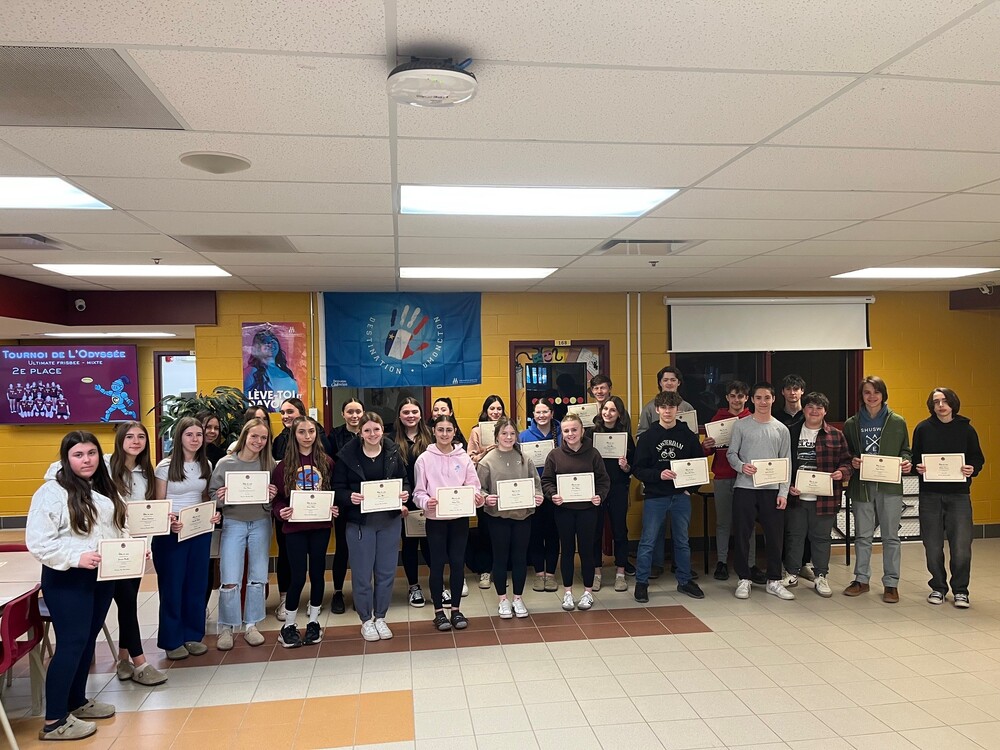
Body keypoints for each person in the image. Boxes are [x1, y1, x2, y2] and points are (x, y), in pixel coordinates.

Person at [27, 431, 127, 741]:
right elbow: (39, 542)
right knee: (71, 644)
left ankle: (76, 701)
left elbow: (116, 527)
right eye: (78, 455)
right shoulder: (51, 492)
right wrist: (76, 557)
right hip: (67, 578)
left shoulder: (104, 486)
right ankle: (54, 721)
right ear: (66, 458)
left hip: (101, 576)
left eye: (91, 453)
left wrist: (129, 548)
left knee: (86, 641)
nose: (87, 460)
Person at [332, 411, 409, 640]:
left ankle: (381, 617)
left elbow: (405, 480)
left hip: (389, 521)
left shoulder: (393, 452)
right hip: (360, 523)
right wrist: (349, 497)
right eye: (367, 430)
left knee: (386, 572)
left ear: (382, 431)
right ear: (360, 432)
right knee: (362, 574)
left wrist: (405, 493)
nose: (372, 434)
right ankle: (366, 619)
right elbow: (337, 488)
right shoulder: (347, 456)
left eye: (376, 429)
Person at [107, 422, 168, 685]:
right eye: (130, 436)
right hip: (112, 547)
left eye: (141, 437)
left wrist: (147, 543)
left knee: (127, 601)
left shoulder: (146, 472)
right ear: (120, 440)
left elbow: (148, 512)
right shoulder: (106, 468)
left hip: (137, 547)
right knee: (127, 602)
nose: (136, 441)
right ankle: (140, 663)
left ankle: (123, 658)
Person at [913, 388, 985, 608]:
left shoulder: (966, 429)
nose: (941, 405)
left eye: (945, 401)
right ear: (931, 406)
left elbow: (977, 458)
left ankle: (961, 590)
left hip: (959, 496)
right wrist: (918, 467)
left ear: (953, 403)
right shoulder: (923, 429)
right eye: (936, 402)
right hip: (930, 496)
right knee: (932, 546)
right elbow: (914, 458)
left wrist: (972, 468)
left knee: (961, 546)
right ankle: (938, 587)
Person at [153, 417, 218, 659]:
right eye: (189, 434)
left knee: (196, 584)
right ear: (179, 437)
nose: (195, 439)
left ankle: (192, 635)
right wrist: (170, 522)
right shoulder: (165, 466)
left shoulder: (205, 464)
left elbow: (204, 497)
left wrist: (212, 515)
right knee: (173, 586)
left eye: (198, 435)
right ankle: (172, 640)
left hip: (198, 530)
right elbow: (160, 503)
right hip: (172, 533)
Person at [843, 376, 911, 603]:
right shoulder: (852, 423)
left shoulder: (897, 421)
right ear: (861, 396)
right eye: (867, 392)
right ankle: (861, 580)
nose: (871, 397)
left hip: (889, 486)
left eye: (876, 392)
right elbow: (847, 453)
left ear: (883, 395)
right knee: (863, 535)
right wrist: (852, 460)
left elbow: (906, 450)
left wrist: (906, 461)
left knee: (891, 536)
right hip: (862, 486)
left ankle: (891, 584)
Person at [210, 417, 277, 650]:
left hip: (260, 522)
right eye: (254, 436)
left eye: (263, 437)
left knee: (258, 576)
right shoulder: (225, 463)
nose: (258, 441)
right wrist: (219, 498)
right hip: (233, 522)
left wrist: (271, 497)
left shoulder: (269, 464)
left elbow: (274, 501)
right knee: (230, 577)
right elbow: (212, 495)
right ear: (245, 436)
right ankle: (226, 627)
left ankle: (251, 624)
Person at [632, 391, 705, 603]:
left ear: (677, 410)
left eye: (671, 407)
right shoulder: (648, 437)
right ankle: (641, 583)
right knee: (648, 541)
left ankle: (684, 580)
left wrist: (690, 489)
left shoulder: (688, 436)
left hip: (680, 496)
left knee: (682, 541)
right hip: (655, 496)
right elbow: (638, 469)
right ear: (657, 410)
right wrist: (658, 475)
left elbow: (699, 465)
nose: (667, 411)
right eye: (663, 407)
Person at [413, 414, 483, 632]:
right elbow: (418, 492)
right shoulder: (424, 459)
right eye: (440, 429)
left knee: (457, 563)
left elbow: (474, 486)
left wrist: (477, 497)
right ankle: (438, 613)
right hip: (436, 521)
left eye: (449, 430)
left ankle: (455, 610)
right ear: (434, 431)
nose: (444, 434)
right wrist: (426, 502)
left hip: (459, 519)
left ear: (454, 432)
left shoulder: (463, 458)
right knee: (437, 564)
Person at [272, 416, 337, 647]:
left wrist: (334, 506)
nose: (307, 436)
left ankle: (313, 622)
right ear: (294, 434)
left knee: (318, 575)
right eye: (302, 432)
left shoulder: (326, 462)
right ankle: (288, 625)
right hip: (294, 528)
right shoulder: (284, 466)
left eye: (311, 431)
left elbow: (335, 491)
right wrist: (281, 511)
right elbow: (278, 499)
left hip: (320, 527)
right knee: (297, 576)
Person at [727, 382, 793, 600]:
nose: (763, 402)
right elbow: (731, 454)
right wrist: (741, 466)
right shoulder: (741, 426)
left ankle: (774, 580)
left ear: (774, 399)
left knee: (774, 536)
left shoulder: (781, 429)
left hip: (771, 490)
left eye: (767, 398)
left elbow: (786, 462)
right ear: (752, 400)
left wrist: (783, 493)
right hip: (745, 488)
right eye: (758, 398)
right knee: (742, 534)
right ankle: (743, 578)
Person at [783, 392, 852, 598]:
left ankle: (821, 575)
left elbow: (847, 462)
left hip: (825, 498)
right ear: (803, 409)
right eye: (810, 407)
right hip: (796, 496)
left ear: (825, 411)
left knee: (821, 538)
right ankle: (792, 573)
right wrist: (787, 485)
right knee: (794, 536)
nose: (814, 411)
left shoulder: (836, 435)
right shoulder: (790, 432)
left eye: (819, 408)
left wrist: (842, 472)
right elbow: (781, 461)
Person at [541, 412, 611, 612]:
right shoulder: (554, 455)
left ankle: (588, 592)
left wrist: (599, 496)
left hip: (588, 511)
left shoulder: (593, 454)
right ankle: (568, 593)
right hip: (564, 511)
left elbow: (603, 480)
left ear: (582, 431)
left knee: (587, 551)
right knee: (567, 551)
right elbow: (546, 481)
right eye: (566, 431)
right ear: (561, 433)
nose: (570, 434)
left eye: (574, 430)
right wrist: (553, 494)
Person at [477, 418, 543, 618]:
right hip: (498, 518)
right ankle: (503, 600)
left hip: (522, 516)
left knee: (520, 558)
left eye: (512, 434)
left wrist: (537, 496)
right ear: (497, 436)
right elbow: (479, 489)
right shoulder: (486, 461)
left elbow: (536, 484)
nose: (508, 437)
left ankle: (518, 598)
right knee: (500, 558)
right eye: (504, 433)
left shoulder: (524, 458)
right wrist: (486, 498)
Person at [702, 381, 762, 583]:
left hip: (746, 478)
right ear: (727, 398)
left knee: (747, 523)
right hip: (723, 476)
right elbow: (709, 451)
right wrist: (706, 445)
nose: (737, 400)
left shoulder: (753, 419)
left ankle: (750, 564)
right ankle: (722, 562)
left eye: (741, 396)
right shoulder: (717, 420)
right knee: (723, 522)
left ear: (747, 399)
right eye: (733, 396)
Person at [391, 397, 435, 607]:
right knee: (409, 544)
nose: (411, 416)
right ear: (399, 415)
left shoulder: (431, 437)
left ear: (420, 414)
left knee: (431, 543)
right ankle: (414, 586)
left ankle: (436, 584)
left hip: (429, 499)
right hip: (405, 501)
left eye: (414, 412)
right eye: (406, 412)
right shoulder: (391, 440)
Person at [326, 398, 366, 616]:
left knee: (363, 550)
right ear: (343, 414)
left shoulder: (370, 432)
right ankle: (338, 592)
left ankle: (361, 592)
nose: (354, 415)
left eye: (358, 411)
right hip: (343, 498)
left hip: (366, 500)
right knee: (342, 548)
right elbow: (331, 466)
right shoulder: (334, 436)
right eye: (350, 411)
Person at [591, 396, 634, 593]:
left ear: (619, 414)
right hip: (597, 489)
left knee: (619, 530)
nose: (608, 413)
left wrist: (625, 466)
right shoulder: (591, 434)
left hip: (618, 488)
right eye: (605, 409)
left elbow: (632, 466)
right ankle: (596, 573)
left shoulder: (625, 436)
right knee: (595, 531)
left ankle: (620, 573)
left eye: (613, 410)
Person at [521, 400, 562, 592]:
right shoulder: (524, 436)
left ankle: (551, 574)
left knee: (553, 533)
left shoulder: (561, 433)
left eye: (545, 412)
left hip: (555, 491)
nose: (541, 415)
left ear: (551, 413)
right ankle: (539, 574)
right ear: (533, 414)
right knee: (535, 534)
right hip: (534, 492)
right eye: (538, 412)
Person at [467, 395, 505, 589]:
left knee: (501, 530)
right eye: (492, 408)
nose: (495, 412)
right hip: (484, 484)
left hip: (503, 484)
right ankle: (485, 570)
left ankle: (500, 570)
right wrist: (486, 452)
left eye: (499, 408)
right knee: (485, 529)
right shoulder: (477, 431)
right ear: (485, 411)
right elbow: (470, 458)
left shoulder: (507, 428)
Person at [637, 366, 695, 437]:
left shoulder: (687, 407)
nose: (669, 383)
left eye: (673, 380)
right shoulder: (649, 408)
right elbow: (641, 435)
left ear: (679, 382)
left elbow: (694, 435)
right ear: (660, 383)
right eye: (665, 380)